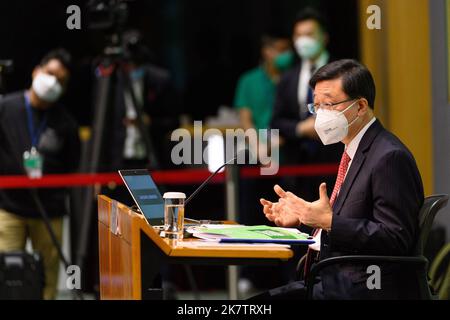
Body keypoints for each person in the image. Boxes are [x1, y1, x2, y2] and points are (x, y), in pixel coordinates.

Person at [258, 59, 424, 299]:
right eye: (317, 106)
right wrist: (306, 218)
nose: (321, 114)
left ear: (360, 107)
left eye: (330, 104)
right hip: (333, 280)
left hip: (363, 288)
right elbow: (350, 220)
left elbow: (394, 238)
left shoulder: (389, 156)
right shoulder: (352, 149)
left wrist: (328, 221)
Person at [0, 49, 80, 299]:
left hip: (49, 211)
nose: (53, 82)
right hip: (8, 208)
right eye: (50, 74)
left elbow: (73, 166)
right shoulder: (5, 108)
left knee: (47, 279)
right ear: (37, 71)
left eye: (62, 80)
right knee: (7, 277)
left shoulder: (65, 122)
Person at [233, 34, 293, 293]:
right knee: (250, 213)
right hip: (254, 156)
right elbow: (245, 118)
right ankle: (250, 273)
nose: (283, 54)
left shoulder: (293, 78)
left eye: (286, 49)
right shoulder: (249, 80)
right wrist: (257, 146)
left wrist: (275, 144)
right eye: (278, 49)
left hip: (287, 156)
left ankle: (290, 272)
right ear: (266, 51)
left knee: (287, 213)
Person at [270, 8, 342, 201]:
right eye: (299, 35)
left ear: (324, 37)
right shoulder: (288, 77)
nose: (303, 40)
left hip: (333, 163)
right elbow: (276, 121)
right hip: (297, 169)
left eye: (309, 34)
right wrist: (301, 128)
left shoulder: (342, 73)